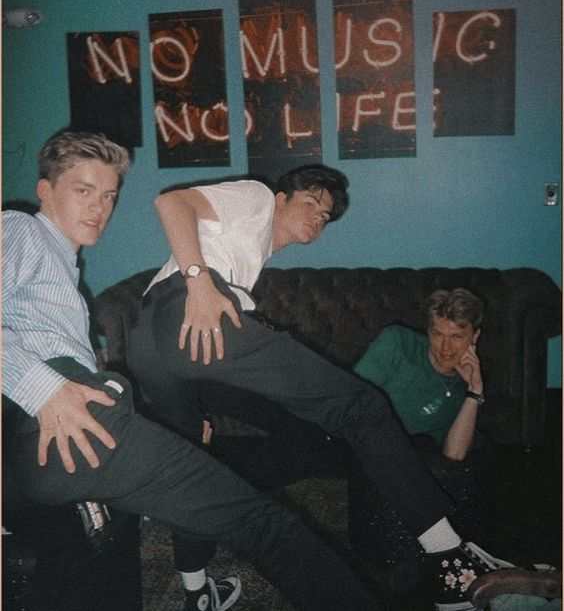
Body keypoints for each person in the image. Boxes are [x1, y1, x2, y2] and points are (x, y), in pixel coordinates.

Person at [2, 130, 402, 611]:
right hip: (66, 420)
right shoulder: (22, 230)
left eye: (108, 195)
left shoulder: (64, 267)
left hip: (59, 438)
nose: (99, 207)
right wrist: (44, 388)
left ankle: (196, 593)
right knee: (263, 524)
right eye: (83, 190)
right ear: (45, 191)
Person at [126, 163, 546, 611]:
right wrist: (199, 283)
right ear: (281, 198)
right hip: (185, 310)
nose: (317, 218)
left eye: (325, 216)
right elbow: (172, 202)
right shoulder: (256, 196)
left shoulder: (249, 246)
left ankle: (196, 592)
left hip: (148, 343)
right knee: (361, 407)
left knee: (192, 464)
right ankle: (450, 559)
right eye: (310, 203)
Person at [349, 288, 494, 587]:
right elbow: (350, 404)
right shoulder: (398, 344)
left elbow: (455, 454)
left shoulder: (465, 381)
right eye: (437, 334)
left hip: (415, 462)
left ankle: (441, 559)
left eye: (457, 337)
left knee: (467, 460)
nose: (446, 348)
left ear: (475, 337)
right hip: (364, 446)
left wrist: (475, 391)